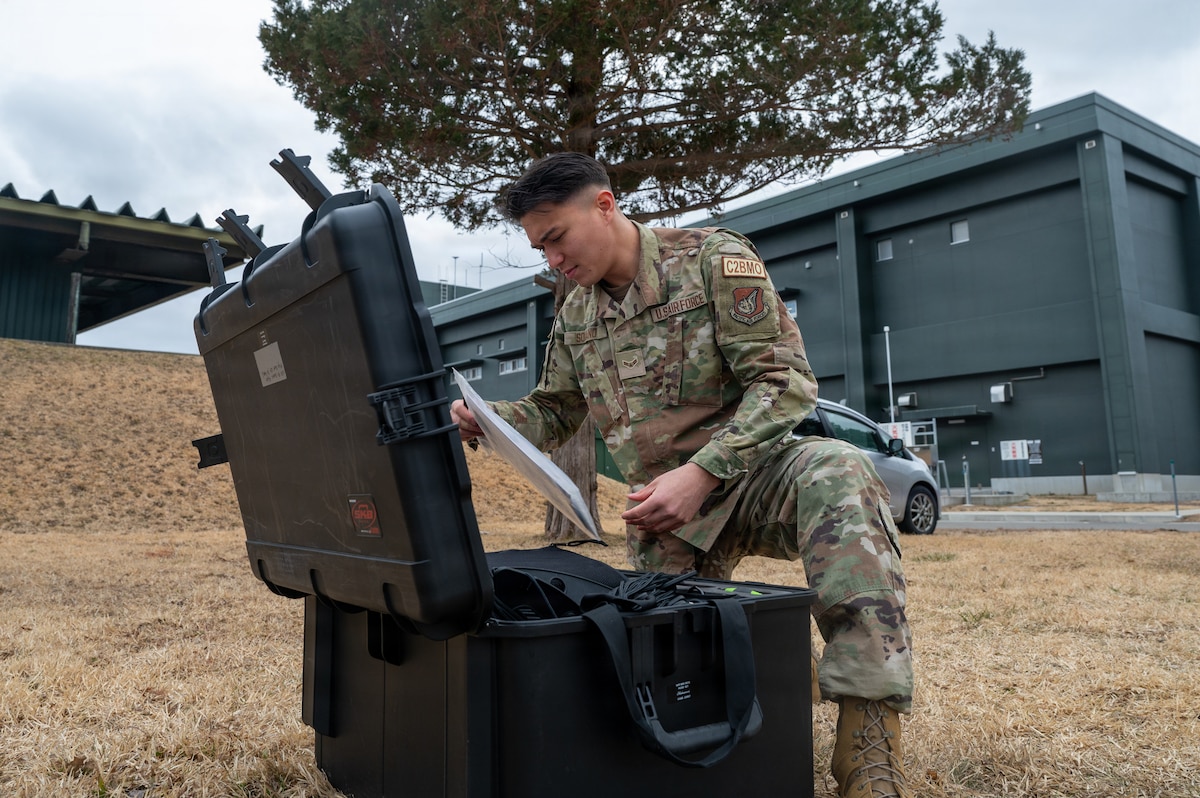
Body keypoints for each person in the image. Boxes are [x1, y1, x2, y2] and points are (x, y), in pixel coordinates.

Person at [450, 152, 913, 798]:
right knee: (665, 662)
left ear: (604, 205)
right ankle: (783, 676)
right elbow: (554, 410)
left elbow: (786, 383)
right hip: (666, 516)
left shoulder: (712, 262)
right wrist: (486, 419)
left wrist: (703, 471)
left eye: (556, 238)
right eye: (539, 248)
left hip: (753, 475)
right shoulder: (575, 313)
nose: (551, 260)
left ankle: (868, 749)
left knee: (839, 470)